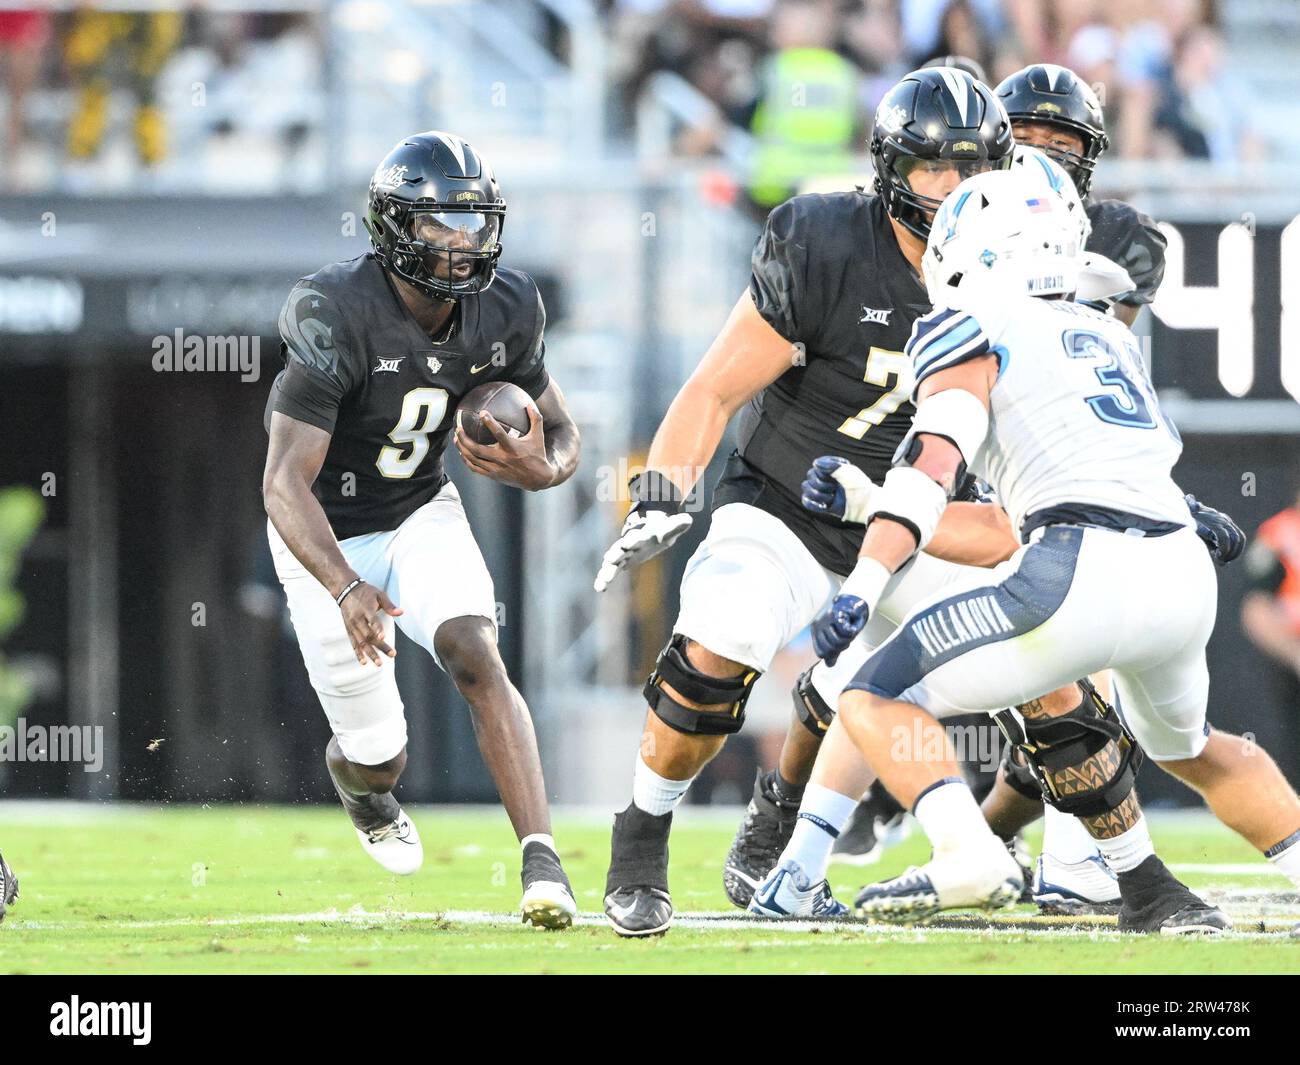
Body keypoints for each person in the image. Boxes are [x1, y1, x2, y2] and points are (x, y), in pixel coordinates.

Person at [807, 161, 1300, 923]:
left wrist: (862, 585)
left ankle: (967, 854)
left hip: (1080, 571)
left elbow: (934, 463)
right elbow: (1129, 461)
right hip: (1178, 572)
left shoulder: (969, 324)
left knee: (871, 691)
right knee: (1191, 746)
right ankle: (1150, 881)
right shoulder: (1103, 330)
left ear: (975, 247)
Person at [262, 131, 581, 928]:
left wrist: (548, 469)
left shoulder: (508, 306)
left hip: (418, 508)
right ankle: (359, 784)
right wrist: (345, 586)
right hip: (323, 535)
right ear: (395, 228)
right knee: (381, 755)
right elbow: (281, 482)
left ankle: (543, 862)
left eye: (473, 222)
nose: (462, 242)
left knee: (476, 650)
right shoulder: (335, 309)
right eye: (440, 224)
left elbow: (565, 433)